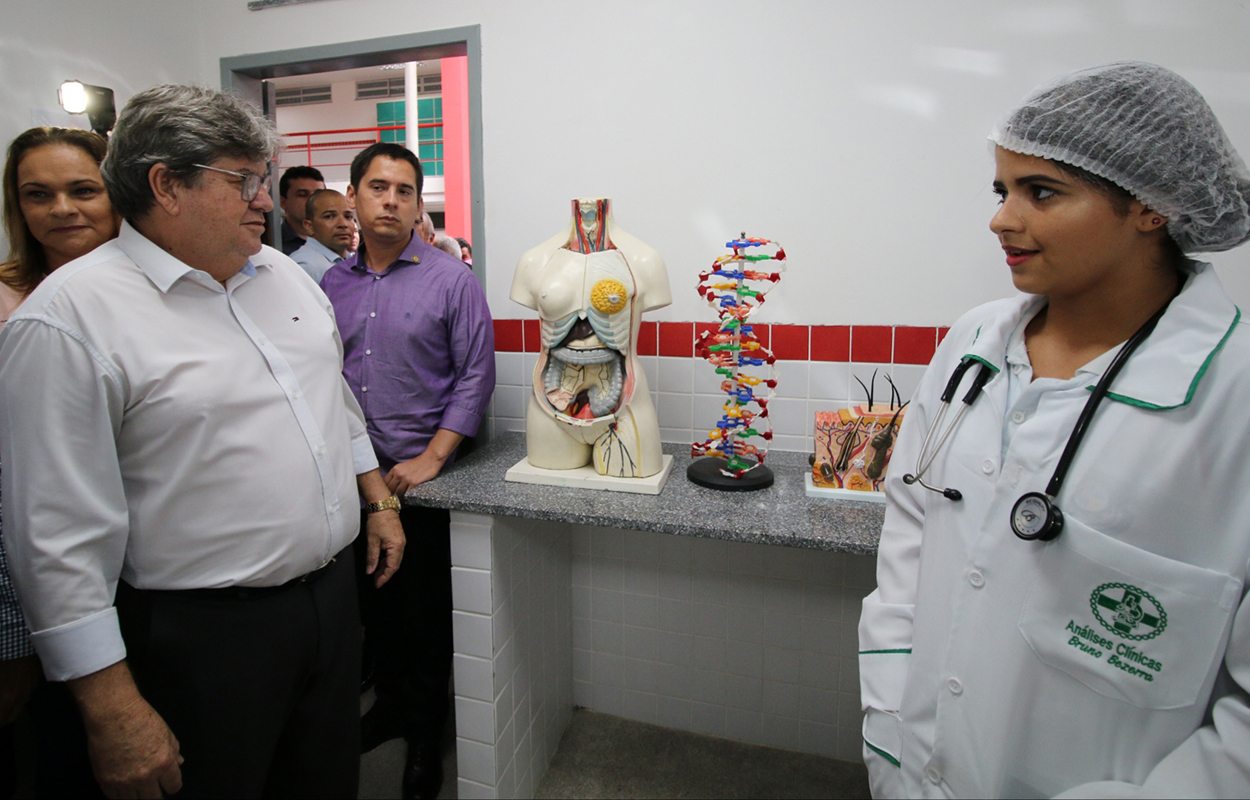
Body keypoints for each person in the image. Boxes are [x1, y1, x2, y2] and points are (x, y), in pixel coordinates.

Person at [0, 85, 405, 799]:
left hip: (330, 608)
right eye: (244, 179)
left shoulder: (282, 275)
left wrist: (377, 503)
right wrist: (112, 709)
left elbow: (332, 401)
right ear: (166, 185)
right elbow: (52, 534)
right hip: (203, 637)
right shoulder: (69, 320)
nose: (268, 198)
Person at [858, 62, 1250, 798]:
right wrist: (886, 725)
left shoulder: (1234, 397)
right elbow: (909, 540)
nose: (1002, 218)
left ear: (1151, 209)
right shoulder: (974, 345)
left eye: (1041, 192)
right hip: (913, 768)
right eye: (1002, 190)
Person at [320, 142, 494, 800]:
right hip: (352, 477)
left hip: (424, 479)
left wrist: (432, 457)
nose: (389, 199)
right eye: (376, 187)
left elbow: (476, 375)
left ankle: (426, 735)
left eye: (402, 190)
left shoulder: (451, 280)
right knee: (373, 605)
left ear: (418, 203)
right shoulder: (331, 283)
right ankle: (388, 709)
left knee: (423, 616)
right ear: (355, 199)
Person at [0, 125, 118, 798]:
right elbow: (14, 491)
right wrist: (14, 634)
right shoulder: (13, 305)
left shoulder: (149, 293)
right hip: (40, 587)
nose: (62, 210)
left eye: (82, 190)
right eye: (36, 195)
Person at [291, 188, 354, 282]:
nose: (343, 224)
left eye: (348, 217)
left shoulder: (353, 261)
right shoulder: (306, 266)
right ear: (309, 226)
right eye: (329, 216)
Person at [278, 164, 325, 255]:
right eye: (302, 194)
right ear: (283, 202)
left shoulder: (335, 241)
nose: (312, 200)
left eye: (318, 194)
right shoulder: (273, 244)